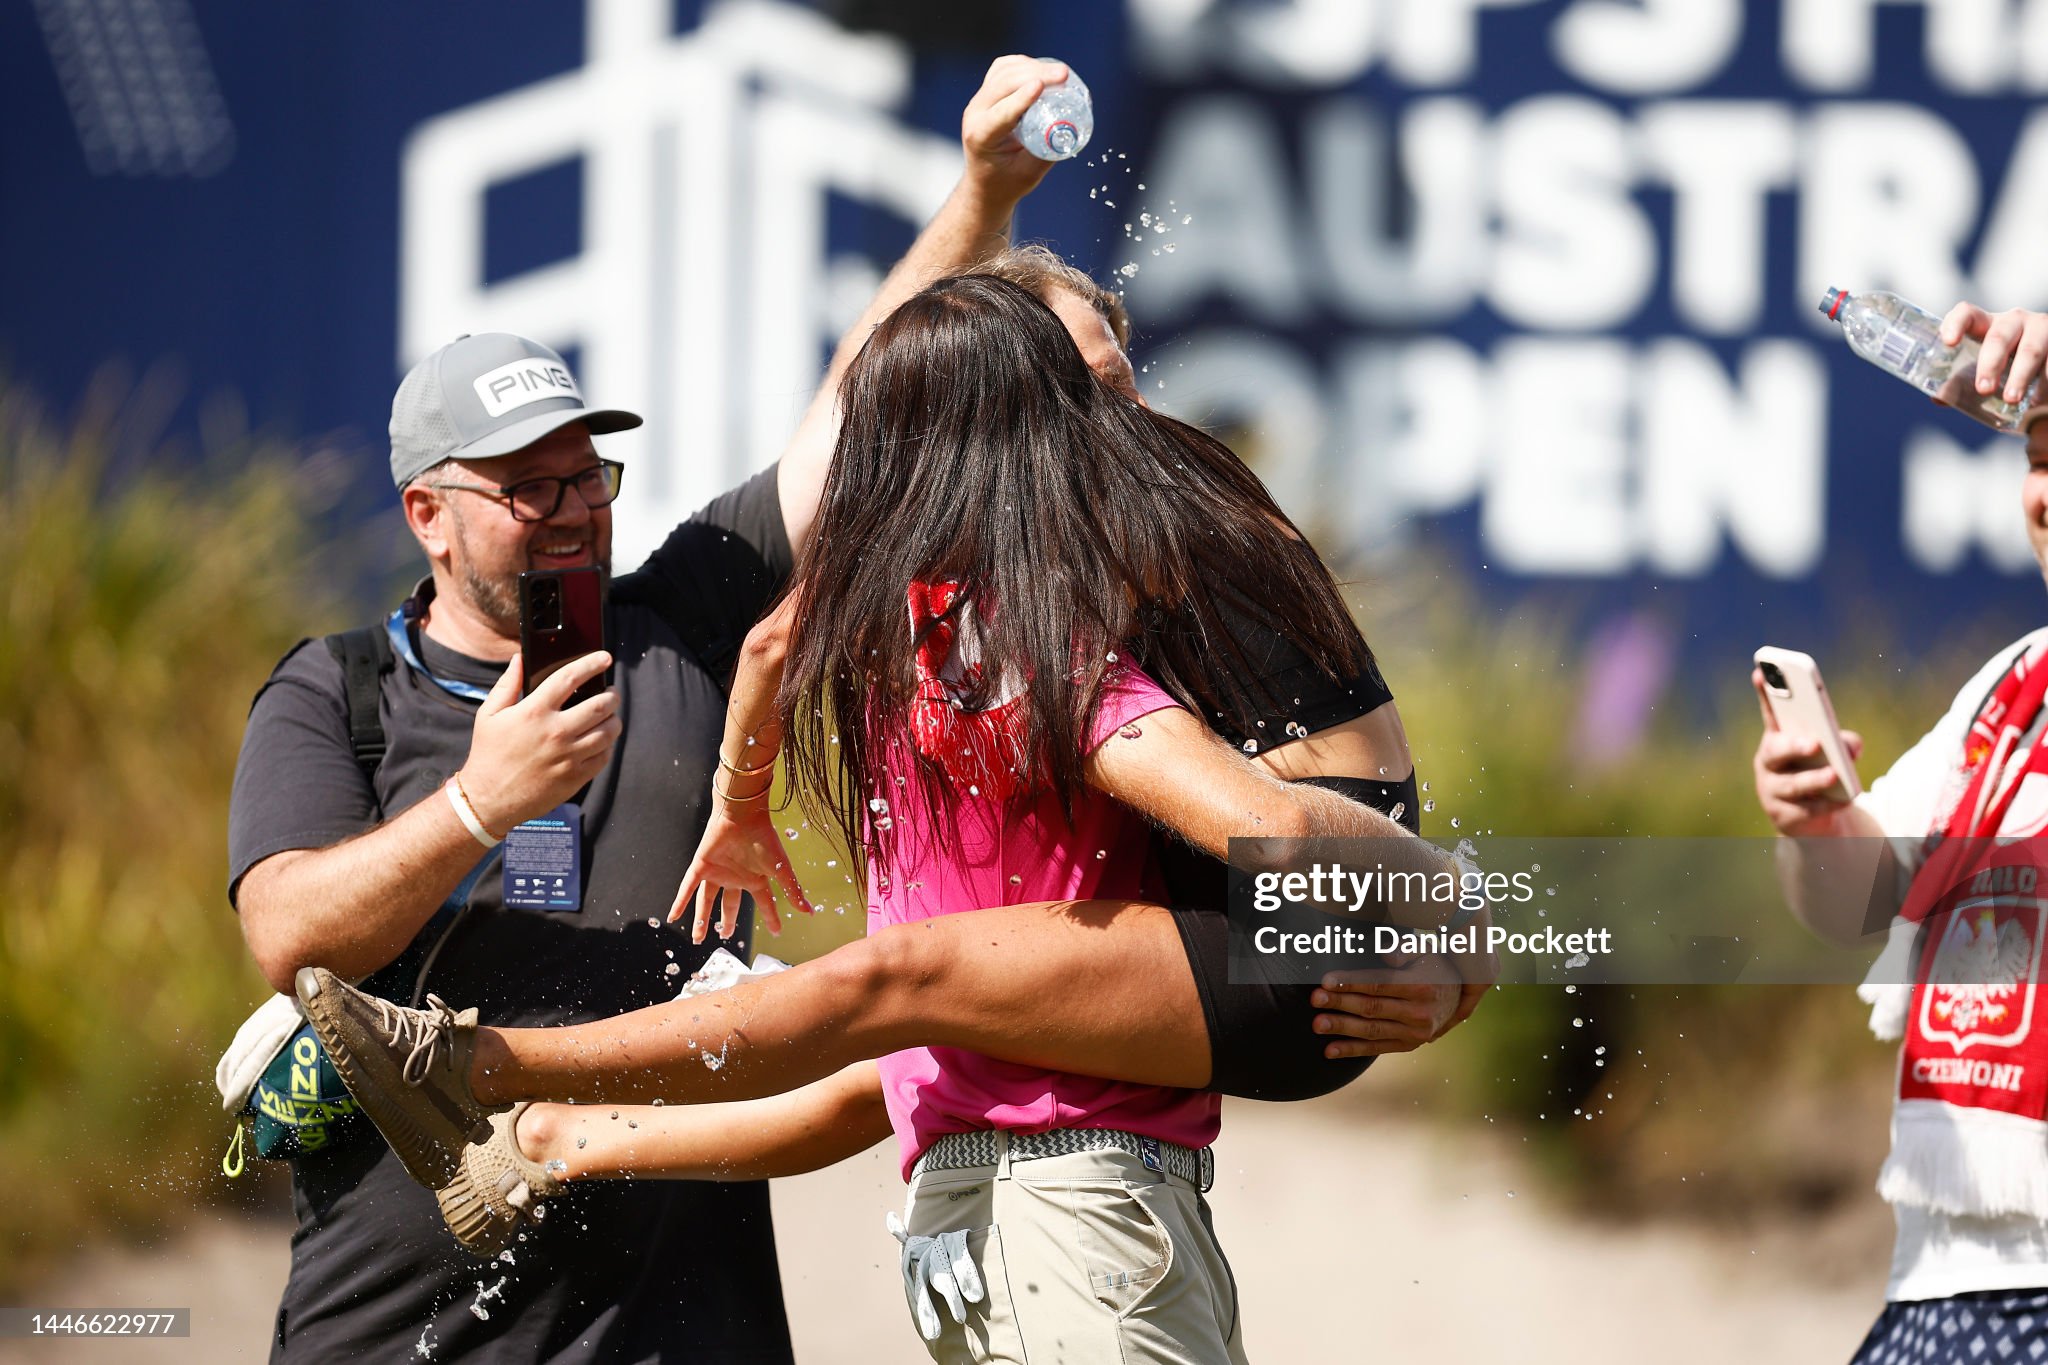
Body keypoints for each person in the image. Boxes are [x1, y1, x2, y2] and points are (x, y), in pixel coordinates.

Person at [233, 57, 1443, 1361]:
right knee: (898, 998)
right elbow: (288, 936)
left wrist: (983, 188)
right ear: (428, 510)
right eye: (533, 489)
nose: (580, 505)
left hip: (703, 1324)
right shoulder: (339, 689)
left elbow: (862, 412)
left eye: (593, 473)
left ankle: (497, 1083)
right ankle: (508, 1099)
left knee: (895, 991)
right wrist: (482, 801)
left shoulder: (696, 617)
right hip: (401, 1321)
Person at [1754, 302, 2048, 1364]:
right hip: (1944, 1278)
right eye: (2040, 453)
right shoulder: (2016, 686)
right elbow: (1856, 903)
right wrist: (1815, 816)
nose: (2044, 490)